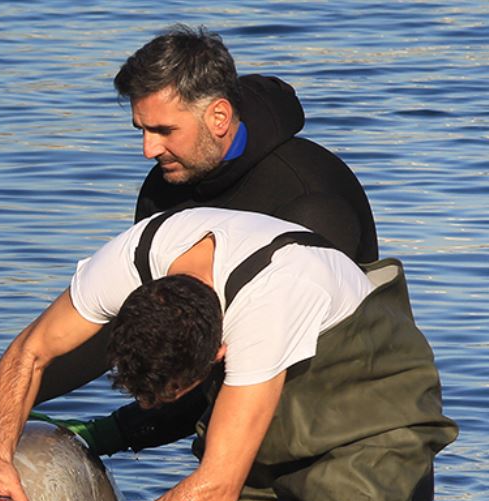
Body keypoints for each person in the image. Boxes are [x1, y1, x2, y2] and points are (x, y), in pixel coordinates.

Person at [0, 207, 456, 501]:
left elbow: (217, 488)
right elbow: (27, 354)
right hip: (277, 416)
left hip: (370, 412)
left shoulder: (268, 306)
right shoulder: (128, 262)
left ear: (220, 352)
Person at [36, 25, 381, 455]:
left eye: (163, 130)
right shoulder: (166, 186)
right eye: (141, 130)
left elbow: (227, 357)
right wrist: (15, 393)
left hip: (350, 430)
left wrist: (117, 432)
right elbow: (151, 328)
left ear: (218, 117)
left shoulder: (310, 198)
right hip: (232, 414)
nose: (148, 149)